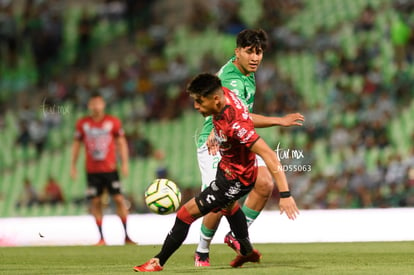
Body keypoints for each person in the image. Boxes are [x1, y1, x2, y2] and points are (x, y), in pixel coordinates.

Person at [133, 73, 299, 272]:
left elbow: (270, 155)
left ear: (216, 99)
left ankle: (157, 262)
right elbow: (247, 116)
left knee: (185, 215)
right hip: (226, 167)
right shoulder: (226, 95)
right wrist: (216, 132)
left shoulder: (235, 124)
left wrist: (285, 195)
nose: (196, 106)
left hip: (235, 179)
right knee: (229, 208)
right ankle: (247, 252)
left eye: (199, 101)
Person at [194, 28, 304, 266]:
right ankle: (202, 250)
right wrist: (278, 120)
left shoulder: (248, 72)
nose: (255, 57)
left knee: (264, 184)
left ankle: (236, 235)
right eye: (250, 52)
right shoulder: (232, 78)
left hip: (237, 137)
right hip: (216, 141)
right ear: (237, 52)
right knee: (220, 199)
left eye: (259, 52)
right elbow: (237, 117)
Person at [71, 92, 133, 245]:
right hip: (92, 171)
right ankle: (101, 238)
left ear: (103, 104)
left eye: (99, 103)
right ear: (89, 106)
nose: (96, 107)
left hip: (110, 168)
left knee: (119, 199)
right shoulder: (82, 123)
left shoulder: (113, 122)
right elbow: (76, 145)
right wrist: (73, 165)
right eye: (93, 104)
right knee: (96, 202)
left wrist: (124, 163)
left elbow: (121, 142)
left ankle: (126, 235)